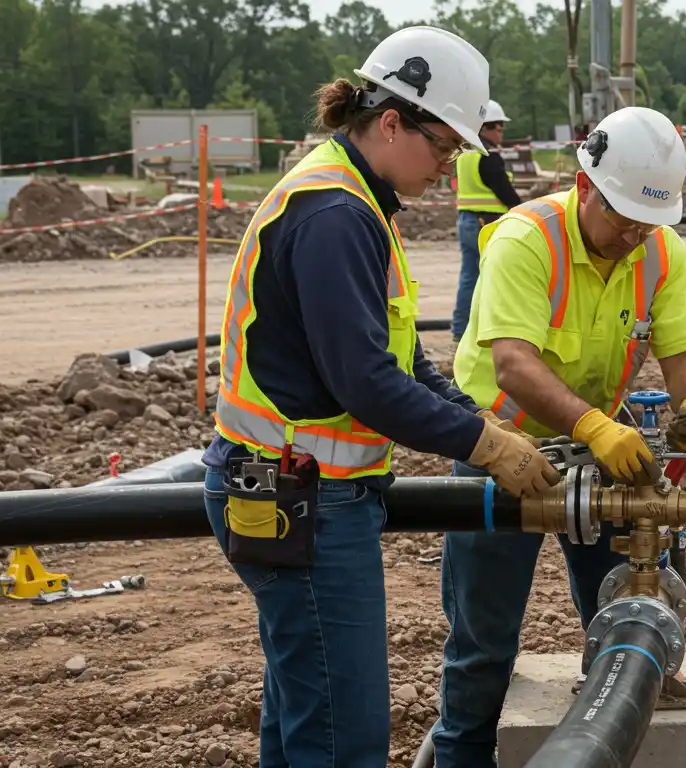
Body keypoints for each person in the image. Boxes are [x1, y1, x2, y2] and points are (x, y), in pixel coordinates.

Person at [200, 26, 560, 767]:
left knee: (306, 714)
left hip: (297, 491)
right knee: (341, 735)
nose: (448, 166)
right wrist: (483, 444)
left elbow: (401, 360)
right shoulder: (336, 216)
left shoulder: (354, 199)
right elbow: (365, 384)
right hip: (304, 500)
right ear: (391, 122)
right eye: (443, 147)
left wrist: (476, 417)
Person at [431, 105, 686, 768]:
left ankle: (639, 684)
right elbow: (513, 362)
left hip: (600, 440)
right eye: (623, 218)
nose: (634, 237)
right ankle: (463, 752)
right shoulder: (525, 238)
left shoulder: (656, 248)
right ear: (586, 187)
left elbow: (683, 349)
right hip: (500, 449)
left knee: (637, 591)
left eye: (649, 222)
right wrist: (594, 425)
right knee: (485, 638)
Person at [452, 99, 523, 341]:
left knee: (469, 277)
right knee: (495, 278)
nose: (501, 132)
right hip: (487, 223)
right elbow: (504, 190)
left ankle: (460, 331)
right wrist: (525, 211)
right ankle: (489, 330)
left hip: (466, 220)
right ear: (485, 127)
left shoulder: (465, 153)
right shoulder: (488, 155)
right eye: (498, 126)